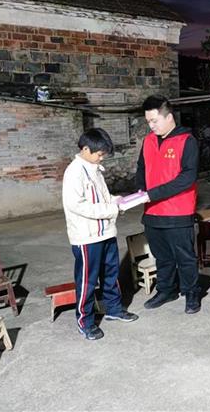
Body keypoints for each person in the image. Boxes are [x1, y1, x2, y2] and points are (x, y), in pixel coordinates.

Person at [62, 128, 138, 340]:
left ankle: (114, 309)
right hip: (87, 237)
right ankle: (85, 322)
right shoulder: (74, 172)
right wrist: (112, 209)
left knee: (111, 274)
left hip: (106, 232)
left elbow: (102, 197)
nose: (101, 157)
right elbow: (78, 205)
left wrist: (118, 200)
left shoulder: (95, 169)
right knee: (87, 281)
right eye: (99, 153)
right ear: (86, 149)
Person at [136, 95, 201, 314]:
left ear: (169, 117)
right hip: (152, 211)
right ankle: (166, 290)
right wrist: (140, 190)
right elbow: (141, 168)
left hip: (178, 212)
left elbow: (187, 178)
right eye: (148, 121)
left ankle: (191, 292)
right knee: (161, 256)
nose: (151, 125)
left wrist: (152, 194)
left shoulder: (187, 141)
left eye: (154, 120)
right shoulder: (148, 141)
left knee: (185, 257)